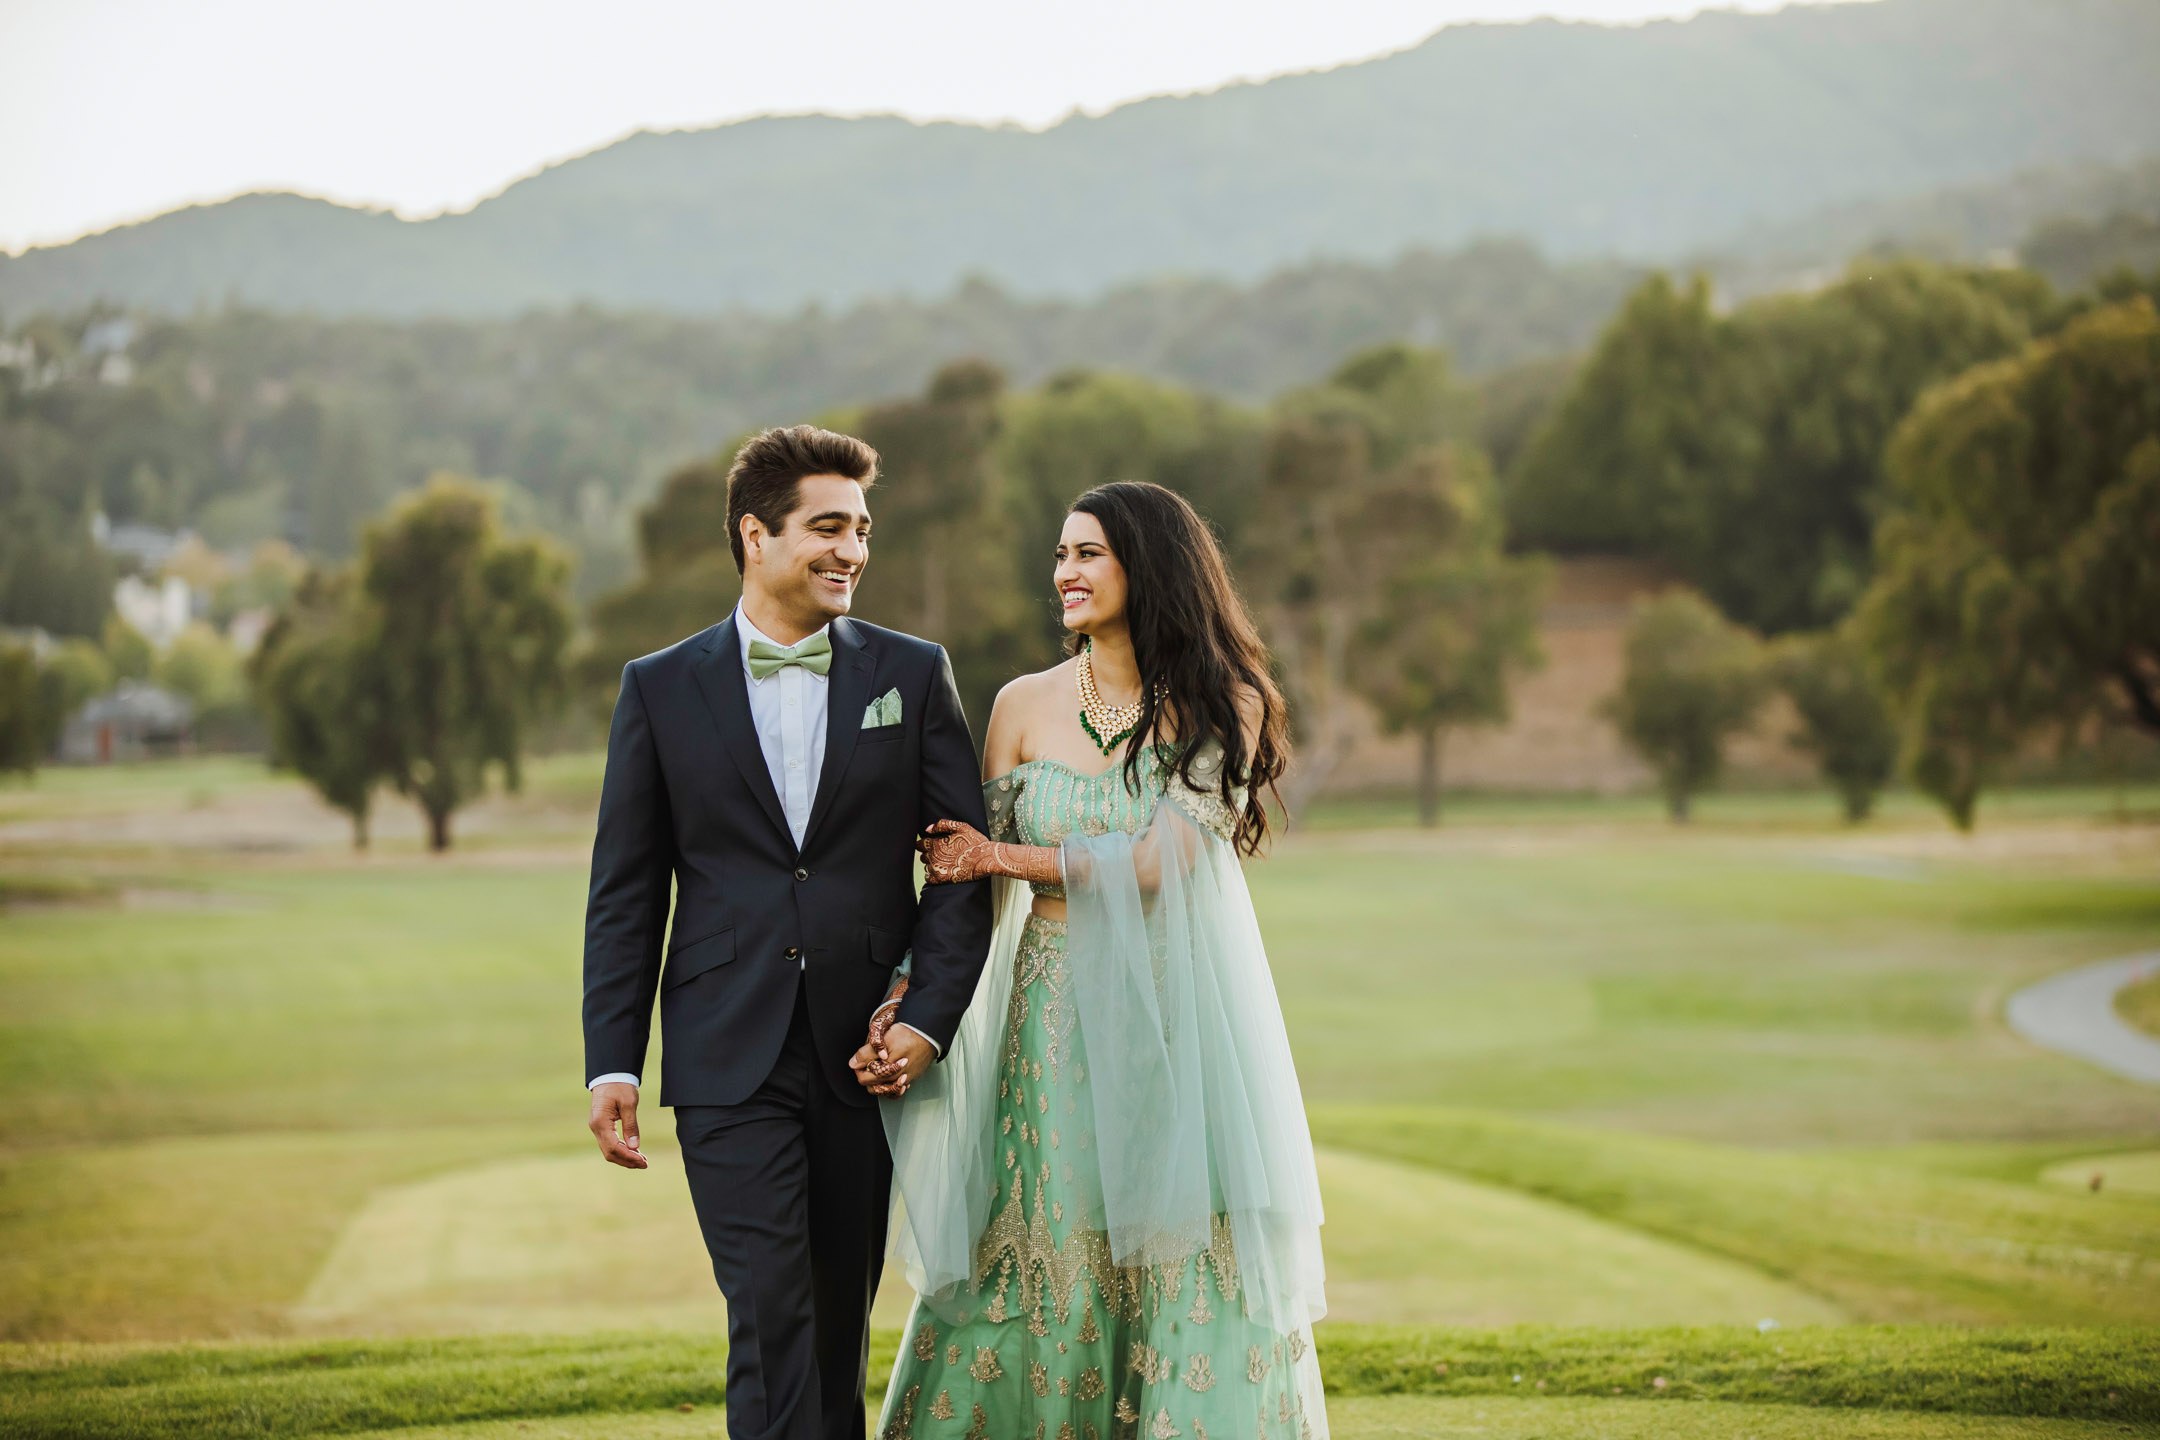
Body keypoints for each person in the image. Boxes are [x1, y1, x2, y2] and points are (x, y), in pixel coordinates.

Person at [873, 481, 1330, 1440]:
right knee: (1046, 1224)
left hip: (1170, 1019)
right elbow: (963, 883)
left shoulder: (1221, 700)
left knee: (1174, 1240)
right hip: (1046, 1014)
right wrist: (912, 993)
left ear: (1147, 564)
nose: (1065, 575)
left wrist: (1003, 853)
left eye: (1088, 555)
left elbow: (1162, 865)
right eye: (1060, 556)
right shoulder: (1020, 706)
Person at [581, 424, 993, 1440]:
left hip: (867, 1053)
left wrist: (926, 1019)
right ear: (754, 535)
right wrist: (612, 1063)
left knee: (833, 1328)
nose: (850, 549)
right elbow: (626, 892)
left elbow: (957, 870)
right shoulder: (660, 688)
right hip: (728, 1054)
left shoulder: (914, 672)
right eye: (826, 527)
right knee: (771, 1312)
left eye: (860, 529)